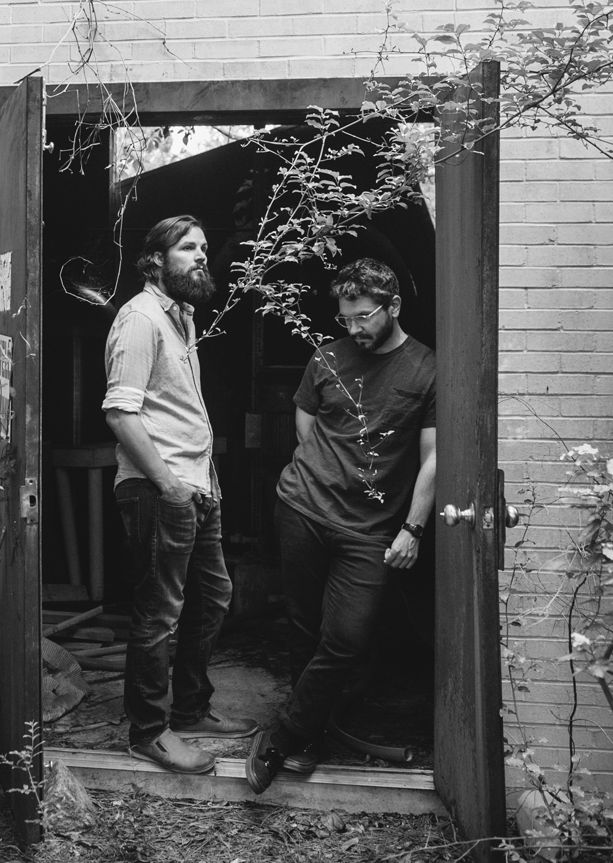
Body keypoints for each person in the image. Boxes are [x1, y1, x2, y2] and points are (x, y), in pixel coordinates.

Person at [245, 257, 436, 794]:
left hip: (371, 529)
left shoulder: (426, 369)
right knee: (302, 626)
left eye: (363, 317)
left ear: (393, 306)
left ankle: (285, 733)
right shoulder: (326, 357)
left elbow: (434, 458)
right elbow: (306, 421)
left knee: (347, 638)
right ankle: (309, 737)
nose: (353, 328)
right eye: (344, 318)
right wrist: (329, 472)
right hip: (303, 509)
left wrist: (413, 528)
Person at [103, 215, 258, 775]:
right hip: (158, 488)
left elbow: (175, 410)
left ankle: (190, 709)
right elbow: (121, 413)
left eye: (204, 247)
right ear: (154, 261)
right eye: (188, 247)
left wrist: (203, 482)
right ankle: (149, 732)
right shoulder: (140, 319)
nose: (201, 255)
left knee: (213, 597)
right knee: (159, 612)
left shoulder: (181, 319)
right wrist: (169, 485)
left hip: (194, 487)